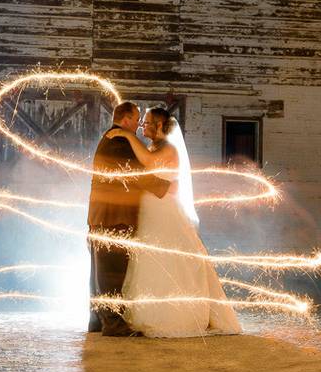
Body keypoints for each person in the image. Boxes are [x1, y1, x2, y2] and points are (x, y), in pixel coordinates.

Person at [105, 107, 242, 338]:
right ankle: (145, 311)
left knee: (167, 259)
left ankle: (176, 315)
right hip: (150, 211)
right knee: (149, 260)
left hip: (164, 212)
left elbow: (148, 162)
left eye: (147, 122)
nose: (142, 126)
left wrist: (127, 135)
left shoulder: (168, 149)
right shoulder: (152, 147)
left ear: (159, 126)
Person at [87, 101, 171, 336]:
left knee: (100, 272)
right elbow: (133, 174)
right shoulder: (119, 141)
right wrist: (165, 187)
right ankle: (113, 325)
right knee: (111, 273)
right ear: (125, 119)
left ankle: (97, 321)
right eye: (136, 119)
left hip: (103, 216)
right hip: (114, 217)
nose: (138, 124)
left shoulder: (112, 138)